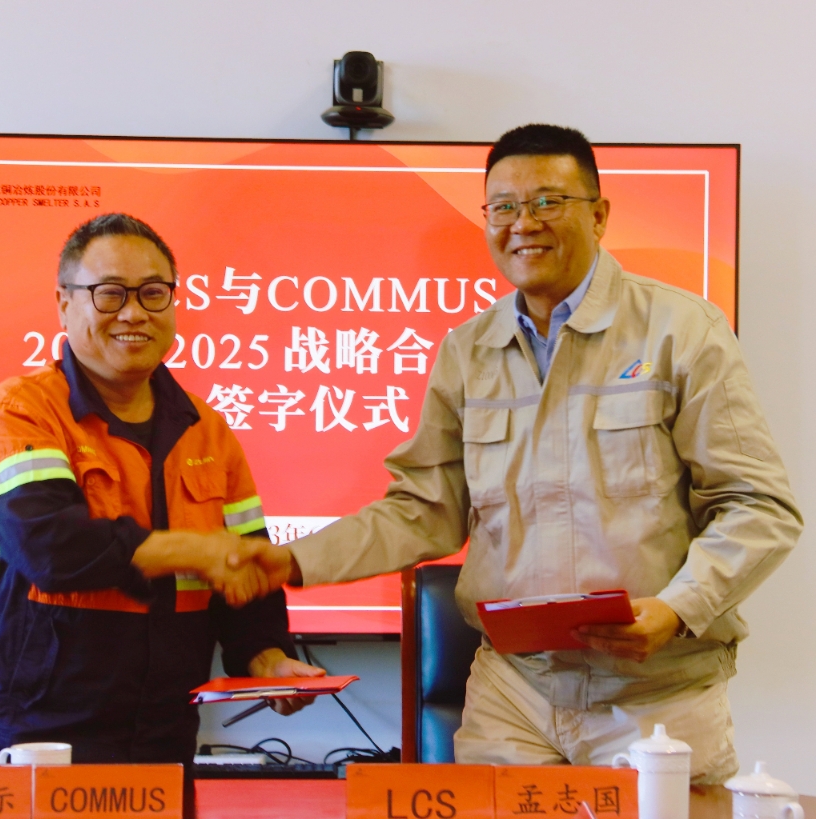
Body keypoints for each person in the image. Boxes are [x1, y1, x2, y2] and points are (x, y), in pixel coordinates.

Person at [246, 124, 802, 783]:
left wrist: (679, 607)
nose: (523, 224)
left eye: (547, 202)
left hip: (657, 697)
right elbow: (423, 510)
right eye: (504, 207)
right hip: (514, 694)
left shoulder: (683, 330)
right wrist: (293, 559)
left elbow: (758, 506)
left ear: (599, 214)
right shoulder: (468, 350)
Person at [0, 213, 322, 810]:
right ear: (64, 304)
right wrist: (194, 550)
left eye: (152, 293)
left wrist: (268, 658)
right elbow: (52, 549)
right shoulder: (16, 412)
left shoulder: (207, 428)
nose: (133, 313)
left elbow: (247, 576)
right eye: (110, 294)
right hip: (29, 739)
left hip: (159, 743)